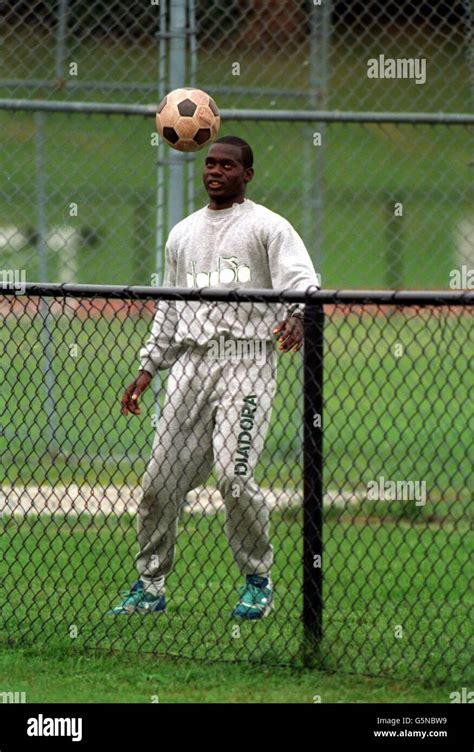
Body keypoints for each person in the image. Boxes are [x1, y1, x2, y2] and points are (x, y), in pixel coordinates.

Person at [109, 136, 319, 620]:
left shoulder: (269, 227)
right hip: (190, 367)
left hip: (246, 363)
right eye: (209, 163)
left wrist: (297, 315)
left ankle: (257, 579)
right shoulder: (182, 234)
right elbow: (169, 308)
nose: (215, 171)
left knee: (234, 476)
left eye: (227, 165)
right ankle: (150, 585)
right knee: (157, 484)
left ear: (247, 174)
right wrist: (147, 368)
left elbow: (303, 284)